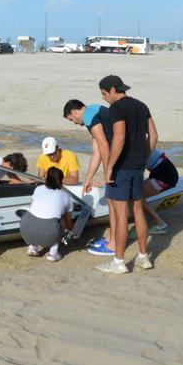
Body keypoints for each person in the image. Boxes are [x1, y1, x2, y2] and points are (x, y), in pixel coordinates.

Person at [98, 75, 157, 274]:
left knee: (122, 215)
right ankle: (143, 257)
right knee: (138, 211)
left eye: (104, 94)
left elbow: (120, 137)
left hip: (122, 168)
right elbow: (154, 135)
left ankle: (119, 262)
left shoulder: (117, 108)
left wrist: (110, 167)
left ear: (113, 90)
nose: (104, 98)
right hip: (138, 166)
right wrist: (144, 157)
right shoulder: (141, 105)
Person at [63, 99, 117, 256]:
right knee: (112, 199)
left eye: (71, 120)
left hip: (120, 158)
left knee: (113, 201)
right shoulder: (94, 111)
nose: (74, 123)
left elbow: (104, 144)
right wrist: (88, 178)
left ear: (74, 112)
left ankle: (112, 245)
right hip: (118, 158)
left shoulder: (88, 116)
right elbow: (97, 152)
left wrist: (108, 172)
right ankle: (111, 238)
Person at [20, 167, 73, 262]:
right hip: (49, 230)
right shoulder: (66, 196)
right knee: (61, 218)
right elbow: (68, 222)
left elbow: (31, 206)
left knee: (36, 215)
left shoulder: (38, 188)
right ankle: (53, 253)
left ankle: (32, 247)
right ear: (61, 180)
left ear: (46, 178)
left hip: (25, 228)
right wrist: (69, 231)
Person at [128, 148, 179, 238]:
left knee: (134, 196)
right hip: (164, 171)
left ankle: (156, 226)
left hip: (164, 176)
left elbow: (137, 173)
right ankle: (149, 225)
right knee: (136, 195)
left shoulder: (134, 147)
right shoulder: (136, 141)